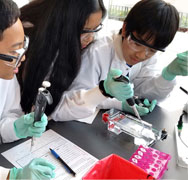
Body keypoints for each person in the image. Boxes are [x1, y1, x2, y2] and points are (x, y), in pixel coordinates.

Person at [52, 0, 188, 123]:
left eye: (152, 50)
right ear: (124, 29)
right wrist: (115, 101)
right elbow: (70, 102)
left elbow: (144, 92)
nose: (141, 55)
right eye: (137, 44)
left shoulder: (148, 54)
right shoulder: (96, 52)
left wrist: (168, 75)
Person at [0, 0, 55, 179]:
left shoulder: (2, 71)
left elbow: (2, 121)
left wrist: (16, 127)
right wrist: (8, 176)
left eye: (23, 45)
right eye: (14, 53)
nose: (22, 58)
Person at [17, 0, 133, 119]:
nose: (90, 38)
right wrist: (101, 92)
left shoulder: (68, 42)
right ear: (62, 21)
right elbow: (34, 106)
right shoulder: (26, 42)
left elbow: (55, 102)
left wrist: (105, 94)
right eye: (85, 31)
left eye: (95, 29)